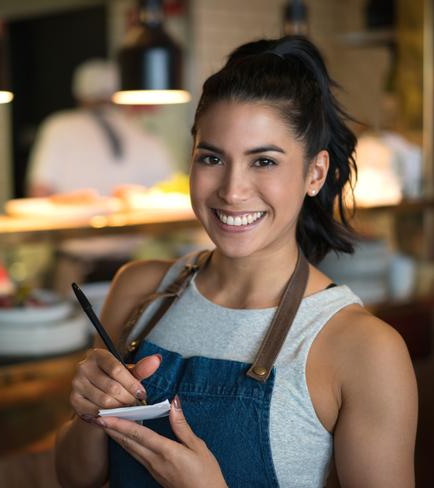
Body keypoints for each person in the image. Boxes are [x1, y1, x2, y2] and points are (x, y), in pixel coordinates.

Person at [54, 36, 417, 487]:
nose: (231, 190)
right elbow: (75, 477)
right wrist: (90, 414)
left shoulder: (364, 350)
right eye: (212, 158)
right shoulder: (138, 290)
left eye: (263, 161)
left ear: (315, 173)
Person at [27, 59, 174, 197]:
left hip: (76, 223)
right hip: (142, 221)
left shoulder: (57, 126)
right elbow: (169, 187)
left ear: (79, 96)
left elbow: (40, 190)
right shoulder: (143, 129)